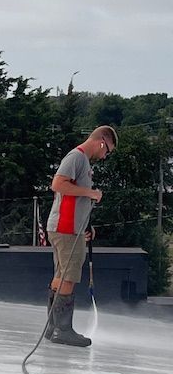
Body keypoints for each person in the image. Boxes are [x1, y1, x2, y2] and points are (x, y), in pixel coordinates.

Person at [46, 125, 118, 347]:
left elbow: (74, 199)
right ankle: (62, 330)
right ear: (102, 142)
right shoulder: (76, 157)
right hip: (65, 229)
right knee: (69, 276)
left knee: (62, 274)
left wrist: (86, 224)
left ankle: (53, 327)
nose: (105, 156)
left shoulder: (83, 162)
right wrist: (91, 193)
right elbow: (58, 184)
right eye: (108, 151)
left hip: (70, 228)